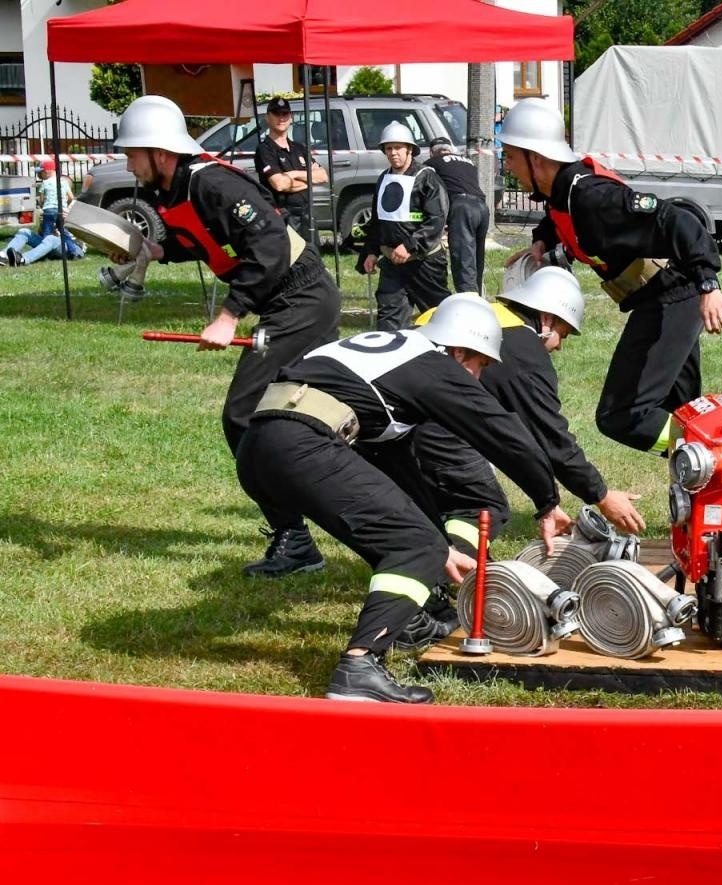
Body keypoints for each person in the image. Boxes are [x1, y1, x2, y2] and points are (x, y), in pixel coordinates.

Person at [235, 293, 571, 703]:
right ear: (459, 350)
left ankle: (406, 620)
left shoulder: (386, 359)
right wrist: (546, 501)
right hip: (303, 443)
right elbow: (502, 432)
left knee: (412, 539)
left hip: (262, 443)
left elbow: (395, 473)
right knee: (415, 545)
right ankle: (359, 667)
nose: (478, 379)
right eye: (479, 365)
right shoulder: (431, 363)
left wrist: (441, 547)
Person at [109, 94, 342, 577]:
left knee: (244, 416)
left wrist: (230, 315)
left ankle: (296, 539)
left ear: (161, 152)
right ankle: (301, 530)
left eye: (133, 151)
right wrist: (154, 250)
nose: (127, 160)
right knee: (299, 416)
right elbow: (202, 238)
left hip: (302, 299)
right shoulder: (170, 191)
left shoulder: (211, 182)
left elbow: (271, 244)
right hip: (282, 301)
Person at [500, 97, 722, 454]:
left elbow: (678, 220)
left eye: (511, 156)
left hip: (672, 297)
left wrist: (708, 282)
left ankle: (717, 453)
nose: (507, 166)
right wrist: (541, 241)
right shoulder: (561, 193)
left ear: (537, 159)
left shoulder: (593, 197)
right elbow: (556, 219)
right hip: (660, 299)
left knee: (621, 415)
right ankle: (703, 485)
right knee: (682, 412)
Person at [407, 265, 646, 579]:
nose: (560, 345)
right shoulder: (523, 352)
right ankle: (440, 575)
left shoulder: (487, 316)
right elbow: (549, 438)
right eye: (563, 332)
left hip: (395, 416)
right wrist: (601, 496)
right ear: (546, 319)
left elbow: (512, 438)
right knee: (481, 504)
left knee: (437, 502)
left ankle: (443, 569)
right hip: (430, 423)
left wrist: (546, 501)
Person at [360, 121, 450, 329]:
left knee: (440, 318)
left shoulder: (427, 178)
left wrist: (410, 246)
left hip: (425, 264)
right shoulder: (384, 178)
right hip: (393, 264)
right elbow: (378, 220)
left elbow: (436, 219)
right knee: (389, 321)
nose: (393, 153)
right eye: (389, 149)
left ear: (409, 149)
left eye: (398, 148)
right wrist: (371, 251)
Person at [253, 96, 325, 246]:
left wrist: (294, 174)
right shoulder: (265, 150)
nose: (281, 118)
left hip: (307, 213)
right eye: (276, 114)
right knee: (290, 262)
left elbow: (323, 176)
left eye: (285, 114)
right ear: (268, 118)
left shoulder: (299, 148)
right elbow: (279, 184)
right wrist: (309, 181)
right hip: (283, 215)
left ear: (291, 118)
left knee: (313, 259)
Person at [424, 136, 490, 295]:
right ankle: (478, 295)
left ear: (432, 153)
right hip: (482, 208)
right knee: (476, 257)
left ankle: (467, 301)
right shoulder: (467, 161)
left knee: (463, 259)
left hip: (462, 207)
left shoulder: (433, 163)